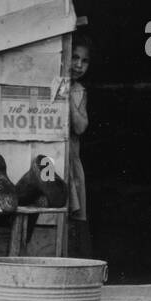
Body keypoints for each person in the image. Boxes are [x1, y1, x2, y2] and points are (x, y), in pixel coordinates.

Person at [67, 33, 92, 257]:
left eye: (84, 61)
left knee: (76, 214)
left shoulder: (78, 91)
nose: (78, 65)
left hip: (71, 162)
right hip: (52, 159)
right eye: (75, 57)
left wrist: (68, 98)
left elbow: (80, 127)